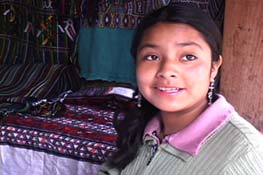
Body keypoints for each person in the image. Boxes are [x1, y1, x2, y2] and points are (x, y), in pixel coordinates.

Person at [98, 3, 263, 175]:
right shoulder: (144, 130)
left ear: (214, 67)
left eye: (188, 57)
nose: (167, 71)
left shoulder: (244, 155)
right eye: (152, 56)